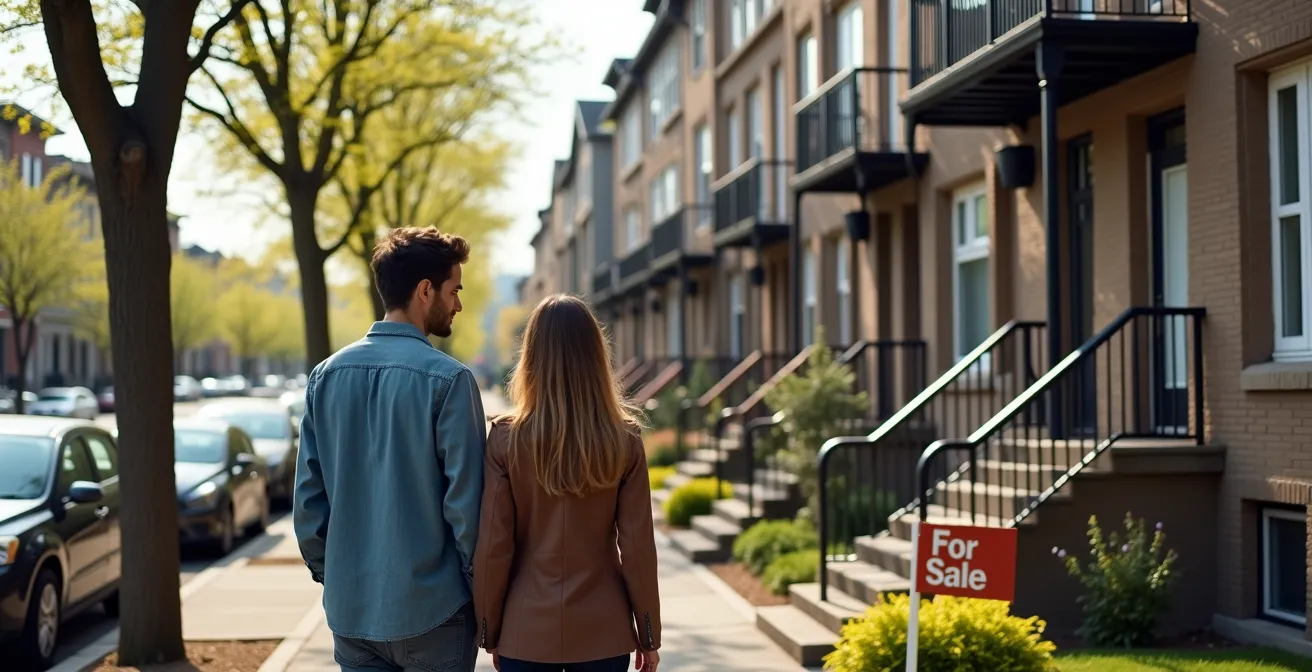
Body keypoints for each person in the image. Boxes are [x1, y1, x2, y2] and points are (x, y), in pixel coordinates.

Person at [293, 227, 486, 672]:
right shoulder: (451, 381)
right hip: (436, 612)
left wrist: (337, 577)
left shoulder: (324, 377)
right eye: (454, 290)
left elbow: (308, 505)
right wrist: (477, 593)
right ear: (425, 291)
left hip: (352, 613)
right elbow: (468, 512)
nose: (458, 304)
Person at [474, 294, 661, 672]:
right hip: (603, 632)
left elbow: (495, 547)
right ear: (596, 355)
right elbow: (638, 548)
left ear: (531, 357)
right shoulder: (624, 439)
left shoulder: (505, 439)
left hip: (525, 631)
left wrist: (489, 630)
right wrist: (648, 633)